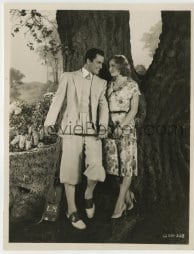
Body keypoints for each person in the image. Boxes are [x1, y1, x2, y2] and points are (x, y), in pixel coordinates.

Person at [44, 48, 109, 230]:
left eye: (102, 63)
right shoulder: (69, 76)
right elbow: (58, 99)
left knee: (96, 165)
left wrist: (103, 126)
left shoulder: (101, 82)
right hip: (71, 129)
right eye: (98, 62)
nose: (100, 66)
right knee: (70, 169)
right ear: (88, 60)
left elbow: (103, 107)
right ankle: (72, 210)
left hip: (92, 130)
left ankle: (88, 195)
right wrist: (49, 122)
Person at [103, 55, 140, 219]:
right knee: (115, 167)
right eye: (109, 66)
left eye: (113, 66)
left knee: (126, 166)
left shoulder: (132, 85)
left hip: (125, 128)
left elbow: (134, 110)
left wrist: (121, 126)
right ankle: (128, 196)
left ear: (121, 67)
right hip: (111, 129)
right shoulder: (109, 86)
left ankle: (120, 204)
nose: (110, 69)